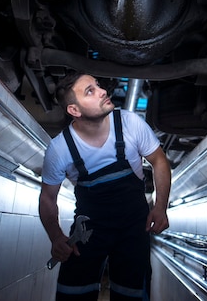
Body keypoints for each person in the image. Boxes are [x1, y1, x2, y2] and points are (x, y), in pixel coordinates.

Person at [39, 72, 172, 300]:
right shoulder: (60, 149)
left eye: (98, 85)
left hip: (134, 228)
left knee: (132, 294)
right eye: (90, 91)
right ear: (75, 110)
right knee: (73, 293)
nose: (102, 91)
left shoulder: (130, 123)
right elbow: (47, 198)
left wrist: (160, 207)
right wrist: (56, 237)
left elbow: (159, 160)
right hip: (88, 233)